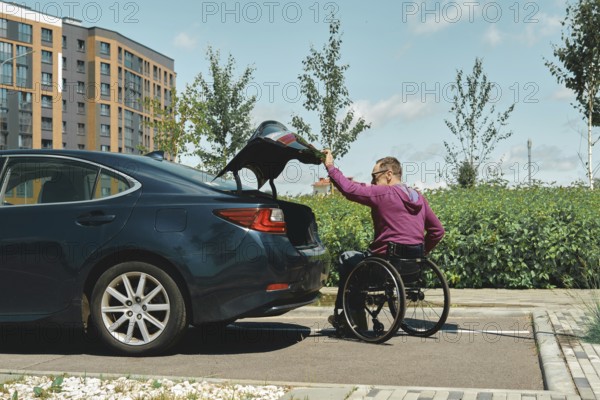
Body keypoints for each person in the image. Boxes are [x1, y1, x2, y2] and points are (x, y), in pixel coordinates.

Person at [322, 149, 445, 330]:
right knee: (361, 261)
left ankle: (354, 318)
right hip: (412, 268)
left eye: (374, 176)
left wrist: (331, 167)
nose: (373, 182)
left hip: (382, 267)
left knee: (347, 258)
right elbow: (438, 231)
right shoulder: (419, 198)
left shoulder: (383, 194)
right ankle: (351, 316)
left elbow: (349, 189)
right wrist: (420, 254)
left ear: (388, 174)